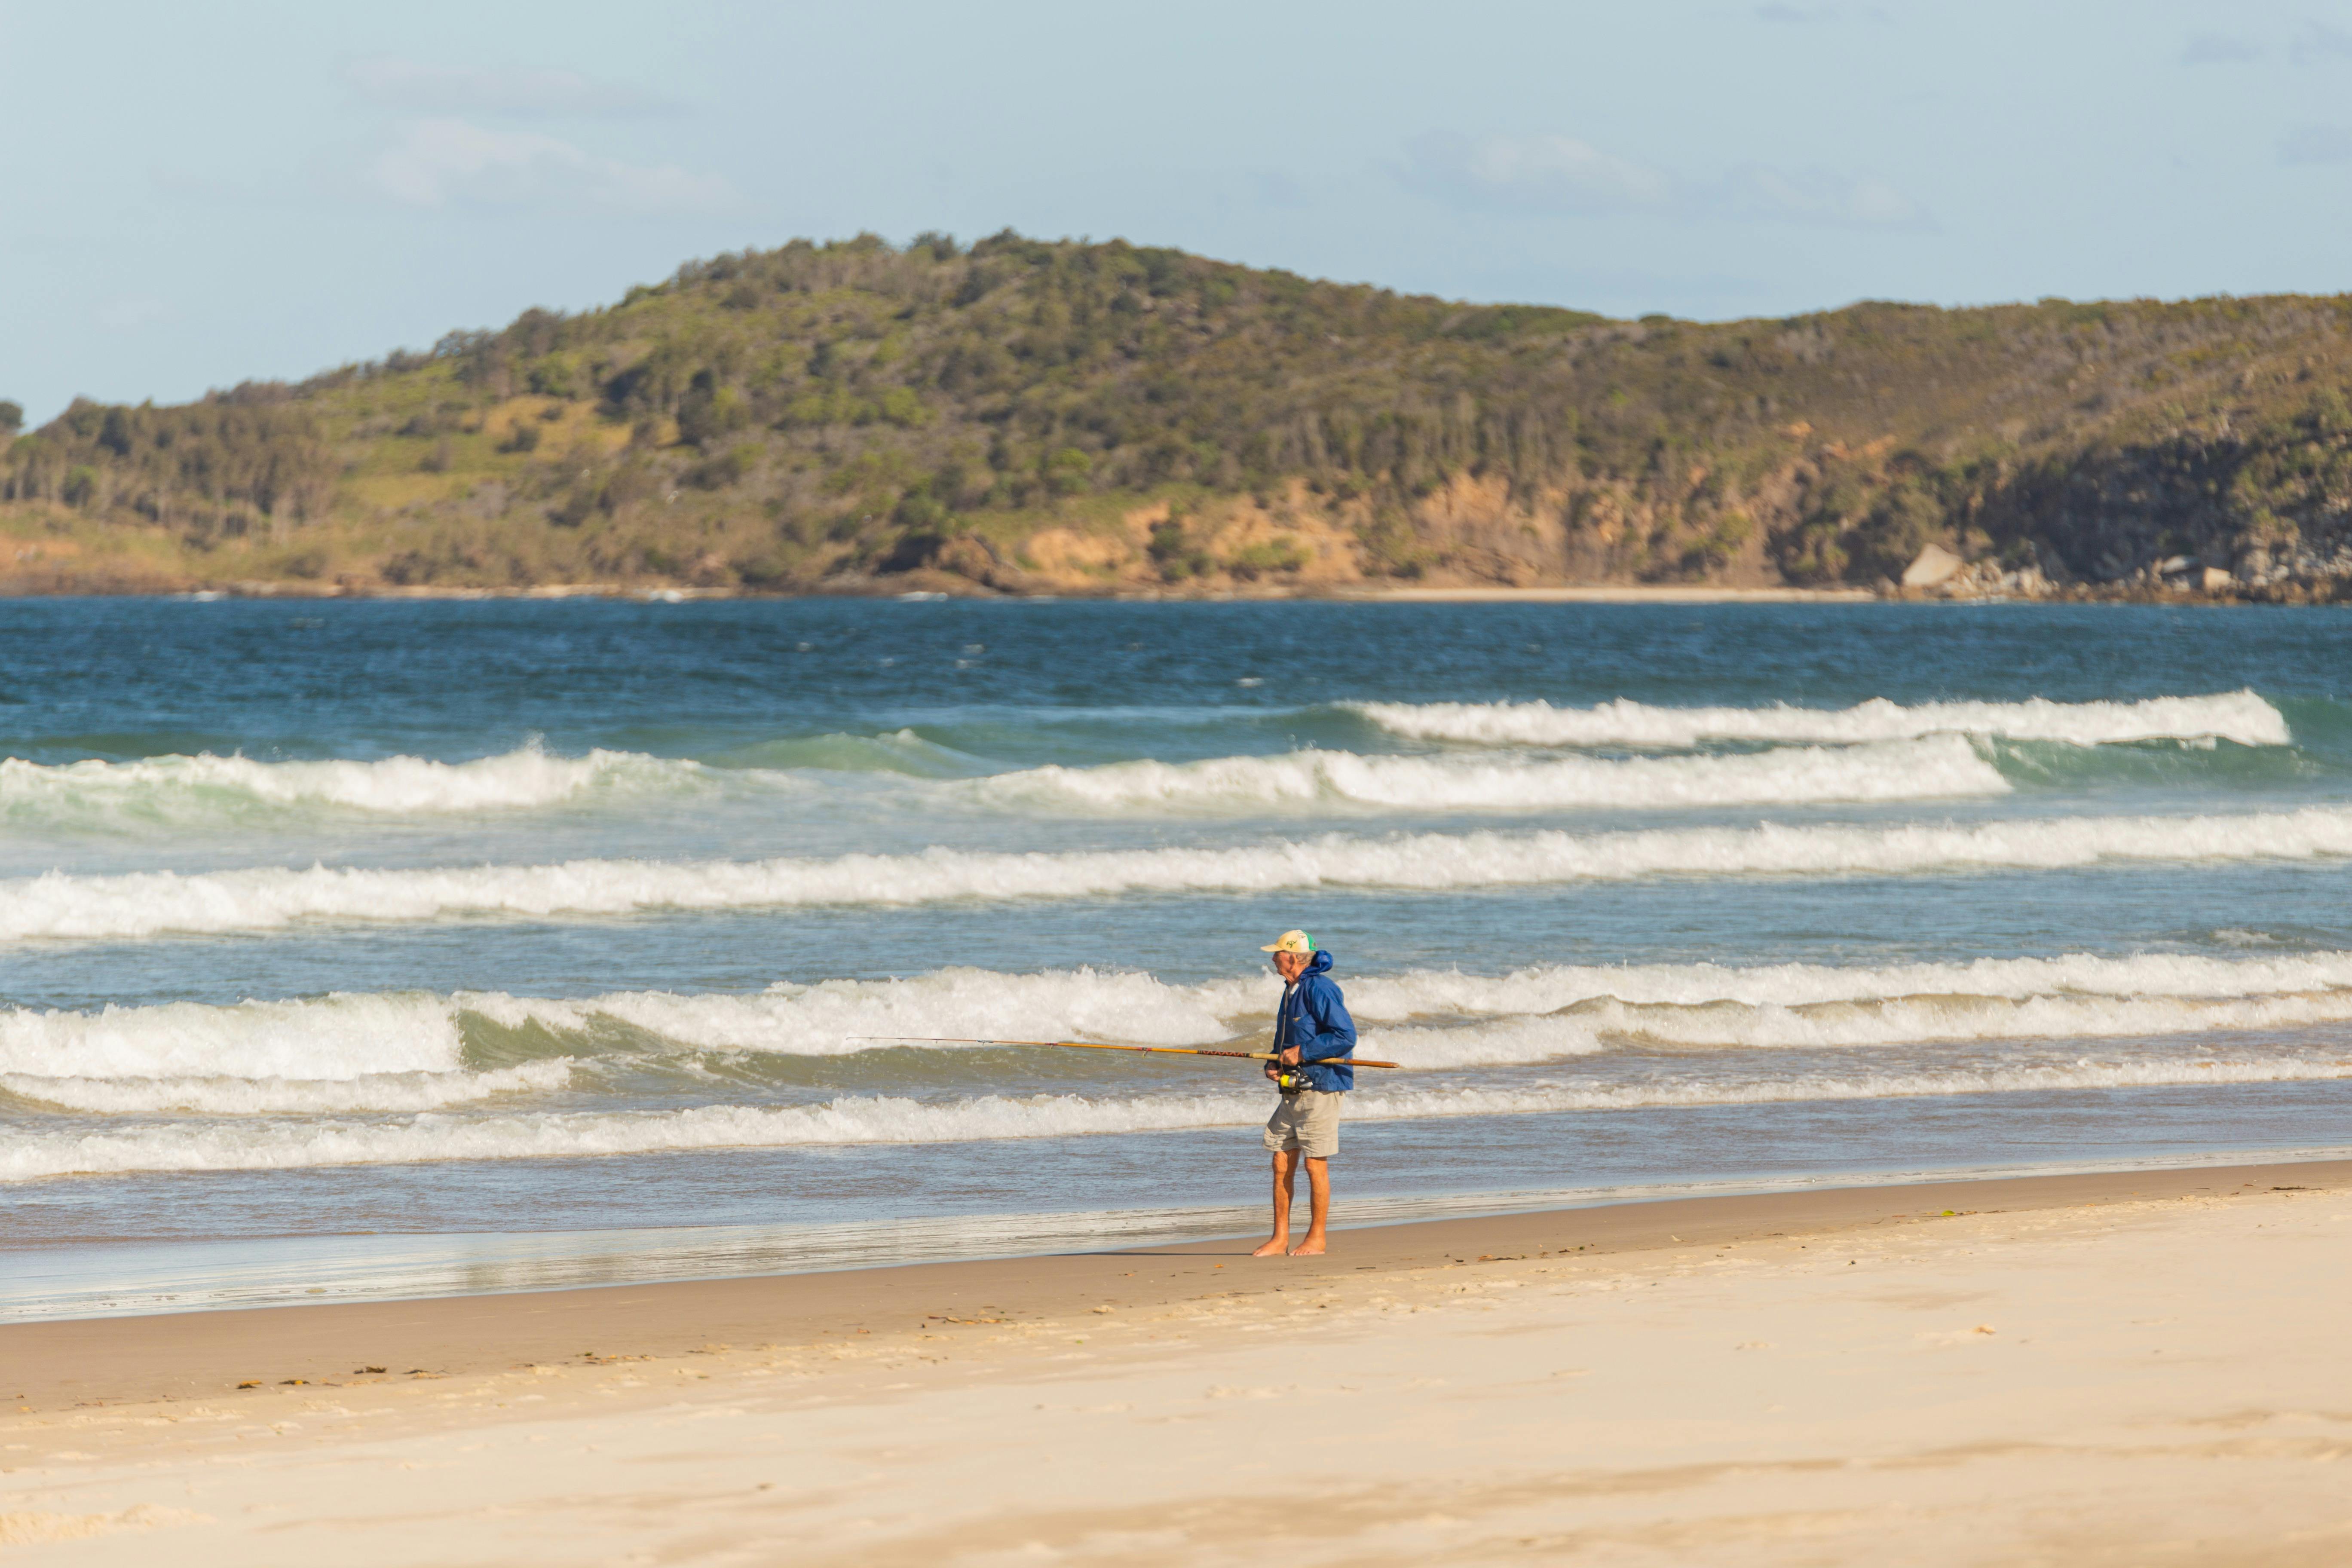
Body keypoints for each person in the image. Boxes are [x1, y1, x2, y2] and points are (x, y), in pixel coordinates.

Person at [1251, 928, 1356, 1257]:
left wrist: (1304, 1052)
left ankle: (1317, 1238)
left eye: (1278, 953)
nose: (1272, 959)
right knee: (1281, 1161)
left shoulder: (1321, 988)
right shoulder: (1290, 989)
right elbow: (1288, 1037)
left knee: (1315, 1165)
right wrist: (1274, 1062)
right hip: (1293, 1088)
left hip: (1321, 1086)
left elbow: (1345, 1035)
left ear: (1294, 958)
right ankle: (1280, 1237)